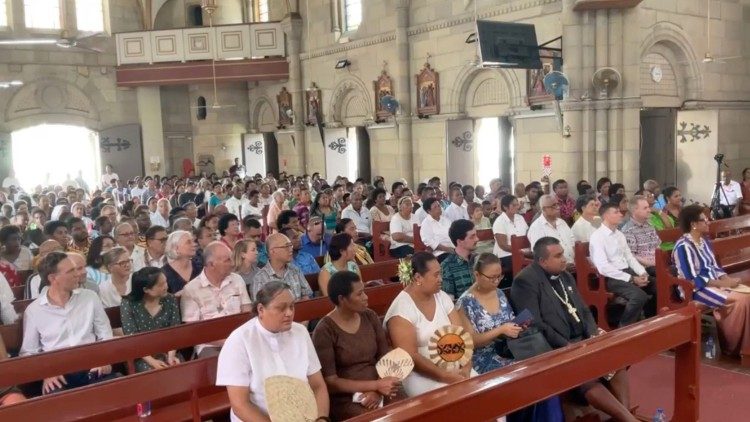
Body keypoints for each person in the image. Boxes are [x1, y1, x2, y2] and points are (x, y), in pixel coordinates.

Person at [511, 237, 636, 422]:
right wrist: (566, 345)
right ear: (542, 261)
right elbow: (535, 323)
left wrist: (593, 335)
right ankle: (628, 419)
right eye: (558, 255)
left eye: (563, 254)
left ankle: (624, 416)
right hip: (555, 348)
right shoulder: (525, 281)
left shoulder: (565, 276)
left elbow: (583, 310)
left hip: (582, 341)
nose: (564, 259)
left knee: (614, 362)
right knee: (585, 376)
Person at [216, 281, 330, 422]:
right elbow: (240, 405)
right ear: (261, 309)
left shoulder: (300, 332)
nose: (289, 313)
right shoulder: (240, 340)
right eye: (281, 308)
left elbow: (318, 385)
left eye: (291, 306)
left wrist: (322, 419)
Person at [20, 252, 115, 394]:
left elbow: (105, 333)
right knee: (57, 399)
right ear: (53, 278)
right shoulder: (34, 310)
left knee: (116, 389)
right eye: (71, 271)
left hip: (92, 365)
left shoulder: (89, 297)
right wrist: (47, 374)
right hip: (57, 372)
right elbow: (28, 352)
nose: (77, 274)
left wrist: (104, 360)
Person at [312, 271, 403, 420]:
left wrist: (379, 389)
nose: (366, 297)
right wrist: (375, 386)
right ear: (342, 299)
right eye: (359, 294)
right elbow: (331, 382)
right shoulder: (325, 330)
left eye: (364, 292)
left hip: (381, 384)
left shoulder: (369, 316)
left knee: (409, 409)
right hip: (347, 397)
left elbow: (385, 357)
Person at [384, 252, 472, 396]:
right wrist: (445, 376)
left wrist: (467, 367)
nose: (441, 279)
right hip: (421, 374)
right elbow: (411, 356)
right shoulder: (401, 311)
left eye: (440, 274)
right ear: (418, 277)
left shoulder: (442, 297)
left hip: (456, 364)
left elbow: (461, 335)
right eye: (436, 275)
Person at [673, 204, 750, 357]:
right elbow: (692, 278)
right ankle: (732, 347)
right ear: (693, 224)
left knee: (747, 294)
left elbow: (714, 267)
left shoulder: (704, 242)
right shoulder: (683, 246)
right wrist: (723, 284)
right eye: (704, 220)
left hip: (714, 284)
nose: (708, 222)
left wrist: (728, 279)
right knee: (740, 300)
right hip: (695, 290)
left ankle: (745, 344)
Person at [181, 242, 252, 357]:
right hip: (210, 346)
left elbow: (248, 313)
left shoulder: (237, 280)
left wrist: (239, 339)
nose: (233, 263)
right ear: (211, 264)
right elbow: (192, 331)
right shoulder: (191, 289)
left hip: (240, 339)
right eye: (227, 260)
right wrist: (228, 342)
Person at [589, 203, 655, 327]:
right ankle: (624, 328)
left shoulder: (619, 234)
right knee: (639, 296)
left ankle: (651, 321)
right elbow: (603, 267)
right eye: (616, 212)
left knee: (656, 285)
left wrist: (642, 272)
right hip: (611, 277)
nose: (621, 214)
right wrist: (631, 279)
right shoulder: (597, 237)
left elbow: (629, 257)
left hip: (627, 271)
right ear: (605, 215)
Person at [120, 267, 182, 372]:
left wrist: (171, 356)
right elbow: (131, 337)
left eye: (165, 282)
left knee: (179, 370)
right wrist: (153, 362)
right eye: (161, 285)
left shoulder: (170, 299)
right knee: (155, 374)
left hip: (168, 350)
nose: (166, 286)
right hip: (141, 355)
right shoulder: (128, 304)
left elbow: (175, 331)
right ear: (146, 289)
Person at [251, 233, 314, 301]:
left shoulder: (295, 270)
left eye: (291, 246)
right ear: (273, 251)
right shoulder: (260, 278)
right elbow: (259, 306)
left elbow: (306, 295)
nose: (291, 249)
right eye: (286, 246)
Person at [527, 194, 575, 263]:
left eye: (557, 204)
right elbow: (539, 254)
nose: (558, 207)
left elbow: (572, 242)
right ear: (544, 209)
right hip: (553, 270)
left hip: (572, 264)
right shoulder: (536, 227)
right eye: (553, 206)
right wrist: (561, 266)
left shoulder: (562, 222)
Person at [492, 195, 528, 282]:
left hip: (522, 252)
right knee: (523, 267)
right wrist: (520, 252)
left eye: (517, 204)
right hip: (506, 255)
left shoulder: (520, 218)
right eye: (513, 205)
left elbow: (527, 235)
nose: (517, 207)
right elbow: (503, 245)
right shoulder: (499, 221)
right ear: (505, 207)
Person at [440, 219, 478, 300]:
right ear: (460, 241)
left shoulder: (479, 259)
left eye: (476, 235)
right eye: (472, 236)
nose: (477, 239)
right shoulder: (447, 266)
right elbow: (449, 301)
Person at [621, 196, 661, 270]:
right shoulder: (628, 230)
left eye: (648, 207)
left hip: (657, 263)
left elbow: (657, 246)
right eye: (645, 208)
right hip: (643, 268)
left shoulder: (650, 226)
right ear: (634, 210)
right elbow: (631, 256)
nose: (649, 210)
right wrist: (651, 264)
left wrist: (659, 261)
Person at [162, 230, 201, 295]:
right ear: (176, 248)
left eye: (193, 241)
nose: (194, 244)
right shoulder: (164, 274)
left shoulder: (200, 266)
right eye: (188, 242)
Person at [420, 197, 454, 263]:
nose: (439, 208)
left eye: (439, 205)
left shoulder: (446, 220)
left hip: (453, 250)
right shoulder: (426, 224)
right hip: (439, 254)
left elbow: (454, 234)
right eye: (435, 207)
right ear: (429, 211)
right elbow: (430, 242)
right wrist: (447, 249)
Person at [649, 186, 682, 250]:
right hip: (671, 243)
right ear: (668, 198)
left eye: (680, 195)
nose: (679, 198)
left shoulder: (682, 209)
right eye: (676, 196)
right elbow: (668, 230)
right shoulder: (664, 212)